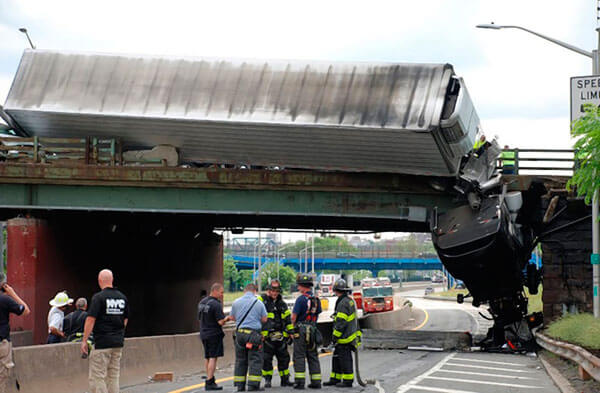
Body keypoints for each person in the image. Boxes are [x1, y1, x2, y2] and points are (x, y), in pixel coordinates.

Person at [81, 269, 129, 393]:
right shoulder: (122, 298)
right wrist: (119, 333)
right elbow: (125, 319)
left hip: (102, 343)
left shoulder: (98, 298)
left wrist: (84, 341)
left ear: (99, 281)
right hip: (118, 343)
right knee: (113, 376)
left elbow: (90, 320)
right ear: (112, 280)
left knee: (98, 377)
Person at [229, 283, 268, 392]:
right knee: (255, 359)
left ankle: (240, 386)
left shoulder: (236, 302)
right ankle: (253, 385)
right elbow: (265, 319)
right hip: (253, 335)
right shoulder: (259, 303)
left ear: (244, 291)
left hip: (240, 334)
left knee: (240, 360)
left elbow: (232, 317)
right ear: (255, 291)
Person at [323, 279, 361, 388]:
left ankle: (348, 381)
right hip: (348, 335)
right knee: (337, 358)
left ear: (336, 290)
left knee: (345, 359)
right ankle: (335, 378)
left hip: (345, 337)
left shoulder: (343, 303)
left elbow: (340, 322)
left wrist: (335, 337)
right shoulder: (349, 300)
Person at [257, 280, 294, 388]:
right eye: (273, 290)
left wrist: (290, 332)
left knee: (284, 359)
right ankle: (268, 380)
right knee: (266, 360)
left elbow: (288, 320)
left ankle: (285, 379)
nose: (275, 293)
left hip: (280, 336)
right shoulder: (261, 301)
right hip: (267, 337)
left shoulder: (282, 304)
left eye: (277, 291)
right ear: (268, 290)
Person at [291, 274, 322, 390]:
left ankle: (300, 382)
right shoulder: (316, 299)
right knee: (313, 355)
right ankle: (316, 381)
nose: (298, 288)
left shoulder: (300, 300)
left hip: (301, 329)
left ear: (302, 286)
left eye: (299, 286)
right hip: (313, 329)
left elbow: (294, 317)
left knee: (299, 356)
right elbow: (317, 314)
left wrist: (292, 329)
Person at [0, 272, 30, 393]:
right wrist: (13, 295)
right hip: (2, 343)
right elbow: (26, 311)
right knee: (2, 375)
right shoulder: (5, 300)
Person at [198, 283, 231, 391]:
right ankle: (210, 381)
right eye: (221, 292)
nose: (222, 295)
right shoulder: (216, 305)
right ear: (215, 291)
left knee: (207, 357)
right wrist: (228, 318)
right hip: (214, 334)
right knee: (213, 357)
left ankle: (209, 378)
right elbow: (220, 322)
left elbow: (199, 318)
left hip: (203, 333)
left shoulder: (202, 302)